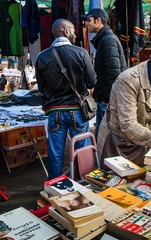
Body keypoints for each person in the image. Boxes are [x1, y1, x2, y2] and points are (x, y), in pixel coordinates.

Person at [35, 19, 96, 180]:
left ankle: (55, 186)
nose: (76, 34)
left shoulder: (41, 57)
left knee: (55, 152)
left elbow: (41, 88)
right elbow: (92, 82)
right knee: (82, 149)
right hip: (78, 111)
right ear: (66, 32)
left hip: (55, 111)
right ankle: (85, 183)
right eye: (73, 30)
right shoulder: (80, 52)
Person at [82, 8, 127, 140]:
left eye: (89, 20)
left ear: (99, 21)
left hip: (107, 98)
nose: (86, 23)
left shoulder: (108, 40)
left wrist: (108, 99)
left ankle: (101, 160)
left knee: (104, 137)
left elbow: (114, 73)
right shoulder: (105, 39)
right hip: (105, 96)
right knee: (102, 136)